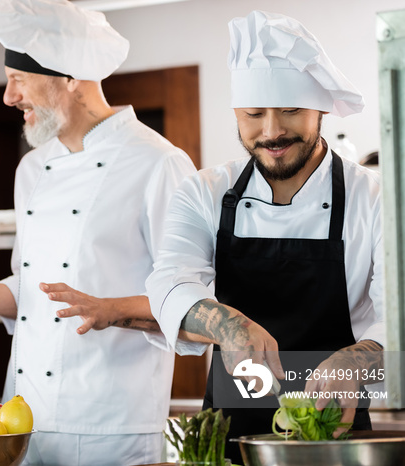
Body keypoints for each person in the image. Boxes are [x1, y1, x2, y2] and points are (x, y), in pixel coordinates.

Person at [0, 0, 196, 463]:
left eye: (19, 79)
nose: (8, 96)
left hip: (111, 428)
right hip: (23, 420)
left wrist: (111, 309)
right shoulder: (32, 169)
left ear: (71, 77)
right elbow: (36, 290)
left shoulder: (157, 163)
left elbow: (192, 304)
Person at [146, 10, 384, 464]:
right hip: (226, 434)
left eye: (291, 110)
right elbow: (169, 281)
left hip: (338, 427)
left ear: (321, 108)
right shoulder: (204, 191)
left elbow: (399, 313)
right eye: (254, 113)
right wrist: (227, 324)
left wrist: (360, 358)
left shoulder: (372, 197)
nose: (271, 130)